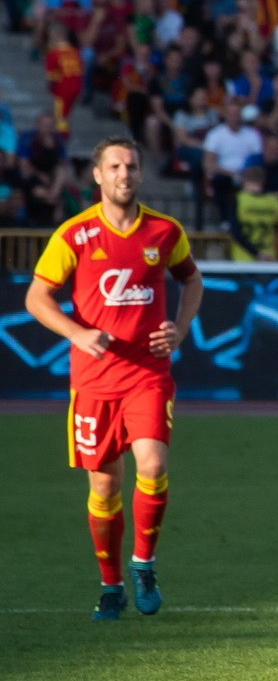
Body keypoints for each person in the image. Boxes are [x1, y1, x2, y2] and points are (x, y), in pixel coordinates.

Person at [24, 138, 203, 620]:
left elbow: (191, 279)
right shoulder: (75, 234)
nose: (125, 174)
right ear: (98, 175)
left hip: (148, 374)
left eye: (132, 166)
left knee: (153, 464)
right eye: (116, 166)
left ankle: (144, 564)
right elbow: (36, 298)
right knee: (104, 487)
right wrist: (77, 333)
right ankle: (111, 585)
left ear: (140, 173)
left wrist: (181, 327)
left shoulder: (165, 231)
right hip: (94, 382)